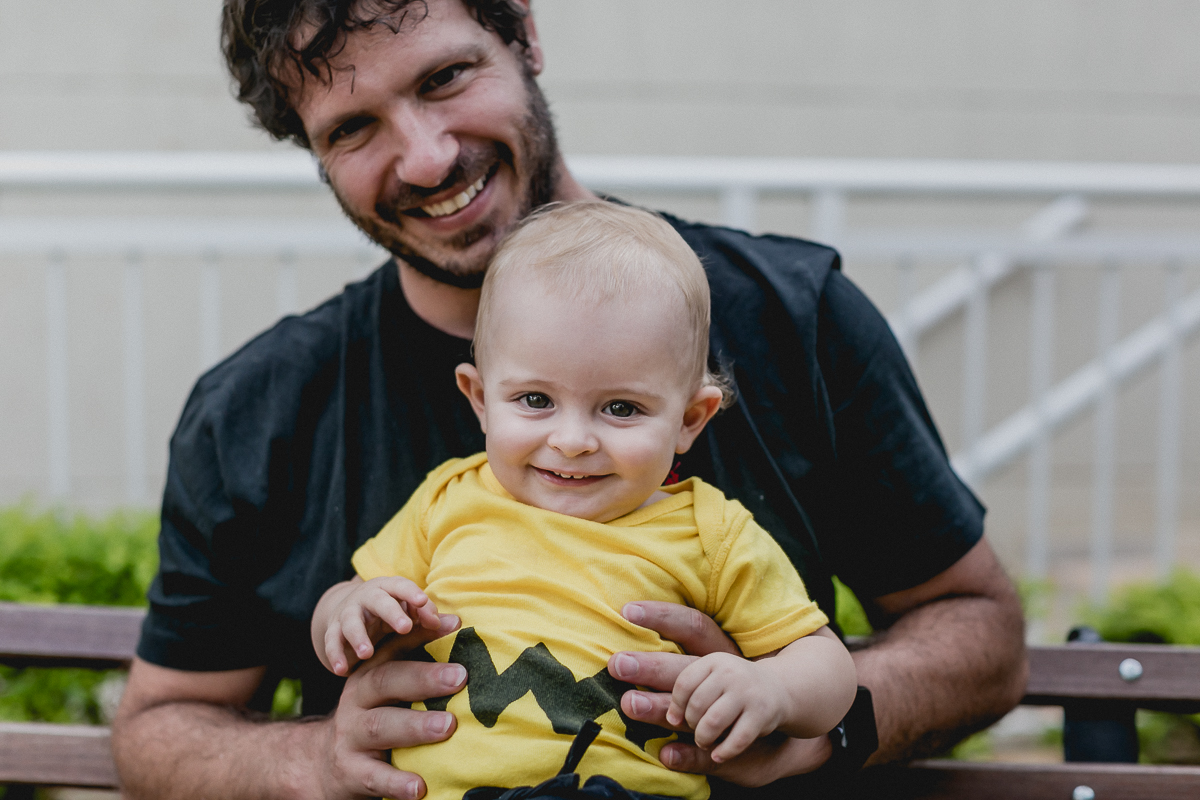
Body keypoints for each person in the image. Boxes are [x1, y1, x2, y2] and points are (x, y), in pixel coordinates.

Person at [111, 2, 1027, 800]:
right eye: (352, 128)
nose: (428, 158)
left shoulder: (798, 320)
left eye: (446, 76)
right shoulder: (258, 410)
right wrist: (318, 763)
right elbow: (161, 731)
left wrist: (816, 728)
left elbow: (980, 631)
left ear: (526, 34)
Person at [312, 202, 857, 800]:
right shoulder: (448, 498)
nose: (571, 442)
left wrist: (772, 689)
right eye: (535, 400)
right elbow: (348, 600)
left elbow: (826, 667)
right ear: (480, 398)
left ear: (689, 420)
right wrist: (347, 611)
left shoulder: (709, 531)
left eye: (621, 408)